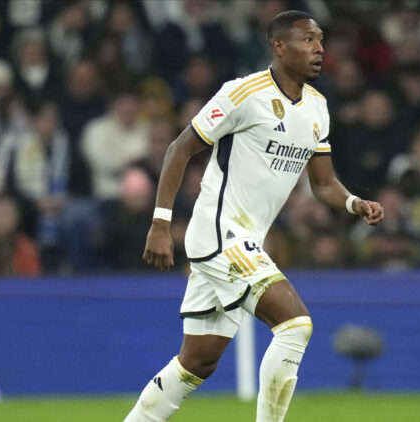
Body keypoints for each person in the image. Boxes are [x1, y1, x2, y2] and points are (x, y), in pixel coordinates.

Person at [124, 11, 384, 422]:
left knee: (197, 363)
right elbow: (179, 148)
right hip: (219, 233)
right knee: (295, 324)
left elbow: (323, 183)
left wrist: (354, 203)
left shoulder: (317, 108)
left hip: (243, 240)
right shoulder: (243, 93)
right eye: (308, 40)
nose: (319, 49)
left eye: (321, 41)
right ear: (280, 47)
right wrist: (159, 222)